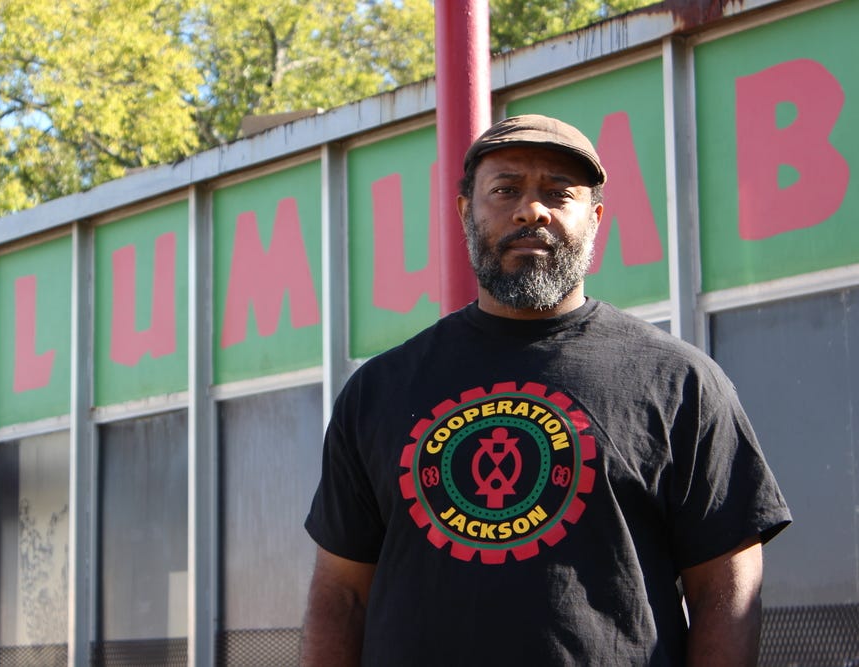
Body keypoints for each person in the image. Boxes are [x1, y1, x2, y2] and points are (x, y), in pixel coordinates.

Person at [301, 114, 791, 666]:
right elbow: (340, 595)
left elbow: (727, 589)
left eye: (559, 193)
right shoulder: (378, 391)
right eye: (505, 189)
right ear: (465, 211)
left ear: (595, 218)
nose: (531, 210)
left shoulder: (680, 383)